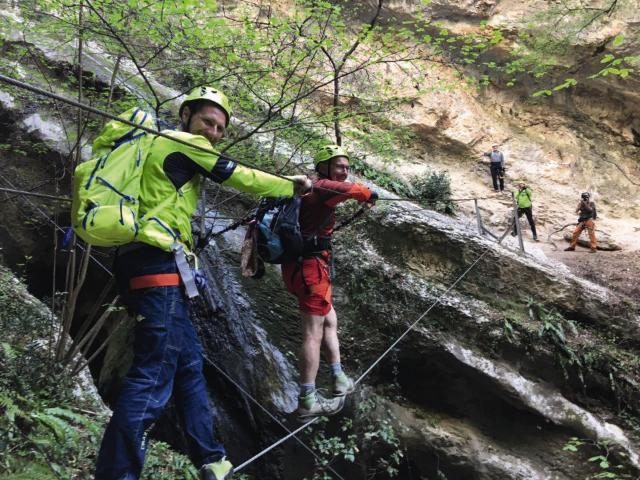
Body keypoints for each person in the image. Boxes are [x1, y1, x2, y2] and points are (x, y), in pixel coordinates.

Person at [94, 86, 311, 480]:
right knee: (153, 372)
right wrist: (288, 185)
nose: (213, 132)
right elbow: (237, 175)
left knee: (189, 363)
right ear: (186, 116)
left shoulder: (158, 147)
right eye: (208, 122)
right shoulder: (183, 143)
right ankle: (117, 474)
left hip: (149, 264)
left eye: (220, 128)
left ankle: (211, 460)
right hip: (156, 263)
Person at [281, 145, 377, 421]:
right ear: (323, 167)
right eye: (339, 166)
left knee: (330, 320)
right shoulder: (321, 187)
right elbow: (353, 191)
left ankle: (338, 378)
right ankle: (307, 398)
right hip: (310, 270)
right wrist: (370, 195)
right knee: (312, 333)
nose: (344, 170)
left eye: (347, 166)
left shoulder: (315, 188)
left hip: (306, 268)